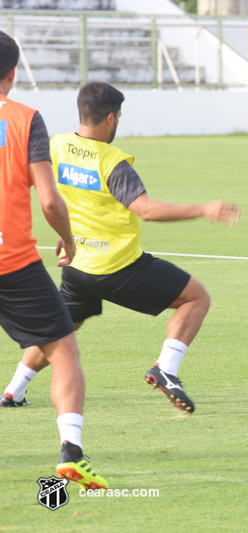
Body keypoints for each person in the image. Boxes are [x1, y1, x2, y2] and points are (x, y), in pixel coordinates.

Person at [0, 81, 240, 414]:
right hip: (117, 267)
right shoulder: (113, 162)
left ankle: (14, 390)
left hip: (75, 265)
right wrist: (203, 209)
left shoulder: (57, 145)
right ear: (111, 118)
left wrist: (67, 234)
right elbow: (146, 209)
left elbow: (58, 196)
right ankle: (166, 369)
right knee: (196, 297)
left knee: (60, 329)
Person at [0, 32, 108, 488]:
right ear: (13, 72)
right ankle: (71, 452)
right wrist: (67, 238)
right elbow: (49, 199)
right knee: (63, 350)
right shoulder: (25, 119)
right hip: (12, 262)